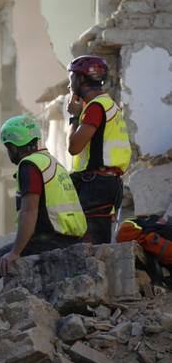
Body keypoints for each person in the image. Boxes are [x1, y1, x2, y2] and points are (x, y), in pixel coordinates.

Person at [0, 116, 87, 303]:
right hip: (70, 238)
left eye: (8, 147)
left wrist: (15, 252)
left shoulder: (29, 166)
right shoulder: (52, 162)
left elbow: (29, 211)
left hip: (47, 240)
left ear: (13, 146)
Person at [66, 55, 132, 243]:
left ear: (82, 80)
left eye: (72, 78)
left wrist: (73, 117)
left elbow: (73, 147)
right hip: (107, 182)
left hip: (97, 185)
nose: (69, 86)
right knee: (96, 242)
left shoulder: (95, 108)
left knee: (88, 245)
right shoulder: (108, 104)